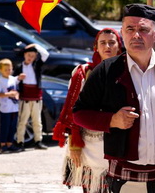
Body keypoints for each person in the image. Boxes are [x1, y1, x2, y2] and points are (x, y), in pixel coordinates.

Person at [73, 4, 155, 192]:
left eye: (143, 30)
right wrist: (112, 120)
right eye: (130, 29)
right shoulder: (107, 70)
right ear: (122, 34)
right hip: (126, 179)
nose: (136, 35)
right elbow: (79, 113)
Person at [53, 29, 123, 192]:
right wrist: (74, 145)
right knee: (92, 188)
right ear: (96, 47)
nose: (107, 46)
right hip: (89, 142)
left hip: (119, 139)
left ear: (119, 46)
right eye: (103, 43)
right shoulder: (83, 73)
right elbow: (73, 110)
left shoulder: (128, 70)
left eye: (112, 42)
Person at [14, 44, 50, 150]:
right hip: (24, 97)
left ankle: (38, 140)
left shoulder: (36, 65)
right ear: (24, 55)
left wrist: (36, 45)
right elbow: (14, 80)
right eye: (29, 55)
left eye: (33, 56)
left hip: (36, 97)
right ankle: (20, 142)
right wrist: (18, 78)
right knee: (22, 120)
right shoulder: (20, 67)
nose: (30, 58)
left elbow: (46, 54)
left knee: (37, 120)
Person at [0, 58, 24, 154]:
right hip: (5, 108)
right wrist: (8, 94)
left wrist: (16, 93)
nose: (8, 71)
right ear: (0, 70)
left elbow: (17, 81)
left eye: (10, 69)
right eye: (6, 70)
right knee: (5, 126)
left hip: (14, 108)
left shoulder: (12, 79)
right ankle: (3, 145)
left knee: (13, 127)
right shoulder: (0, 80)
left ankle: (10, 143)